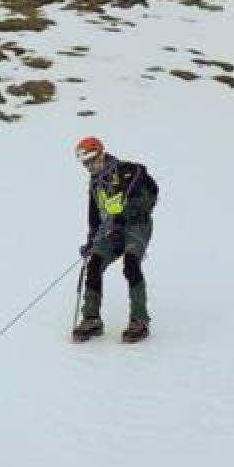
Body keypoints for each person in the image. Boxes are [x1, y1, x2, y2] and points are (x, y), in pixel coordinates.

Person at [73, 136, 159, 343]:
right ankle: (91, 319)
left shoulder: (125, 170)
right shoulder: (95, 185)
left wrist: (125, 212)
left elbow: (142, 173)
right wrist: (91, 241)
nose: (89, 166)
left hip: (136, 226)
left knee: (131, 264)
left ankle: (139, 320)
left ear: (101, 153)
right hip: (111, 231)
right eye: (85, 163)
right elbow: (94, 219)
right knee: (93, 265)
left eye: (92, 160)